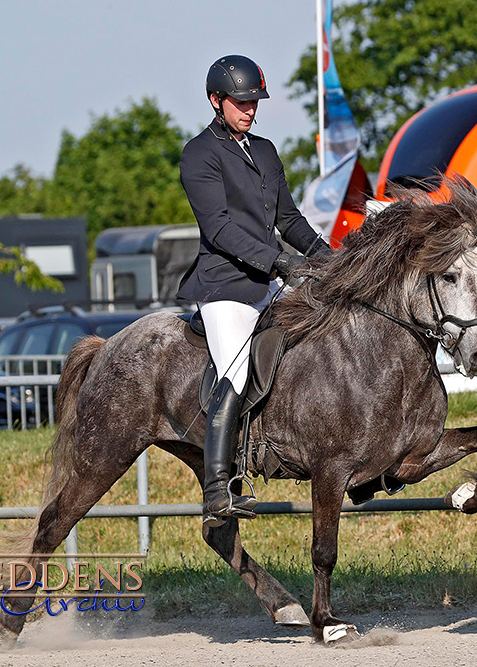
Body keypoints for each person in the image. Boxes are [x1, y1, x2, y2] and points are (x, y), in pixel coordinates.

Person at [177, 54, 331, 527]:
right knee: (236, 372)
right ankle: (219, 489)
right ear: (215, 101)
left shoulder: (264, 150)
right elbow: (220, 229)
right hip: (226, 286)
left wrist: (330, 257)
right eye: (241, 102)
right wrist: (279, 260)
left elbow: (289, 220)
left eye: (254, 102)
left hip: (269, 282)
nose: (250, 110)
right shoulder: (199, 154)